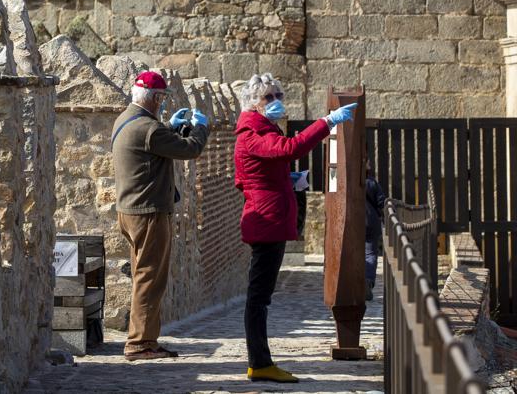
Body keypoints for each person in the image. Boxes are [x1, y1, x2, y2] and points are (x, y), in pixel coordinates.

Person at [234, 74, 358, 383]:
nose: (276, 102)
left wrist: (284, 181)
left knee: (261, 295)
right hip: (266, 221)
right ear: (254, 102)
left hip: (269, 215)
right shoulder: (252, 131)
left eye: (278, 95)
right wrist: (327, 122)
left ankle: (260, 362)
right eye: (268, 98)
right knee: (259, 297)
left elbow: (249, 176)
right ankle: (259, 363)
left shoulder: (262, 127)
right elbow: (289, 149)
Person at [111, 71, 210, 361]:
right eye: (162, 98)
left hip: (130, 211)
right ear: (154, 98)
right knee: (150, 279)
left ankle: (146, 341)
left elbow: (151, 144)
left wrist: (170, 126)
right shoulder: (148, 128)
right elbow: (190, 149)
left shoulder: (127, 120)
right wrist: (199, 128)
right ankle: (139, 344)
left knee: (144, 276)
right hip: (149, 213)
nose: (163, 104)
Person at [364, 168, 387, 301]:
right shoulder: (372, 183)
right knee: (371, 253)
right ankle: (368, 280)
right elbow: (381, 202)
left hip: (352, 222)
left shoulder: (348, 181)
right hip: (371, 222)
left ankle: (356, 282)